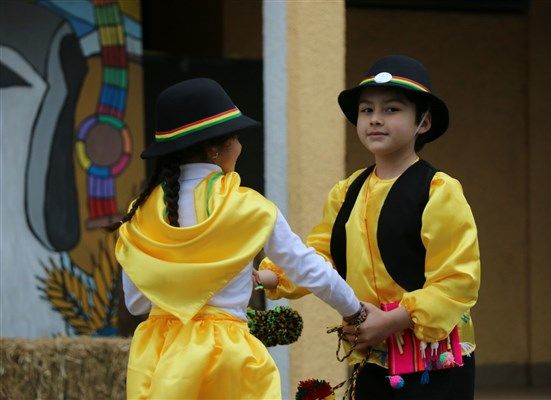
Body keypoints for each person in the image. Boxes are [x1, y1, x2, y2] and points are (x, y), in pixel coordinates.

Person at [111, 78, 368, 400]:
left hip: (157, 356)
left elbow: (136, 303)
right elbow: (307, 268)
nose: (240, 147)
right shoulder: (248, 207)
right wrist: (355, 311)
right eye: (236, 137)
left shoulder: (139, 213)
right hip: (226, 356)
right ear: (215, 149)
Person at [260, 55, 481, 399]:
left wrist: (393, 320)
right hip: (373, 361)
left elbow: (458, 281)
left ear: (423, 122)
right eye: (367, 110)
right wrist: (266, 276)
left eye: (391, 109)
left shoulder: (438, 190)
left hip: (435, 366)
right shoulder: (346, 191)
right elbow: (320, 257)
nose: (375, 119)